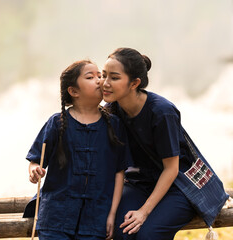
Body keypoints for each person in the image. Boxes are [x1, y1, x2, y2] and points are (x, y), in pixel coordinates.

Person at [100, 47, 229, 240]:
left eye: (114, 78)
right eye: (103, 75)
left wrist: (143, 212)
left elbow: (171, 169)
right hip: (140, 182)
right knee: (121, 230)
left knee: (148, 235)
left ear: (134, 83)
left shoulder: (161, 112)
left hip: (180, 185)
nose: (105, 83)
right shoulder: (111, 110)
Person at [25, 59, 132, 239]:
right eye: (91, 77)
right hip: (55, 219)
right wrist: (34, 169)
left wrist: (112, 214)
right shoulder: (57, 123)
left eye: (101, 75)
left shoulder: (114, 125)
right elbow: (36, 159)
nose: (99, 80)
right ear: (74, 91)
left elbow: (119, 173)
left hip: (96, 219)